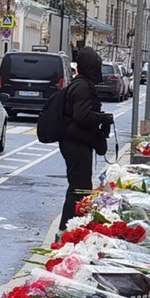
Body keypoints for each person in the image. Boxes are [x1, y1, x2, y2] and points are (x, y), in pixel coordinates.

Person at [57, 46, 113, 227]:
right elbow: (82, 116)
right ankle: (67, 228)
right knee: (79, 189)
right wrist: (101, 118)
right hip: (75, 143)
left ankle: (72, 226)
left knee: (80, 187)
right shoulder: (82, 87)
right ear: (90, 67)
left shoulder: (80, 84)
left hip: (75, 141)